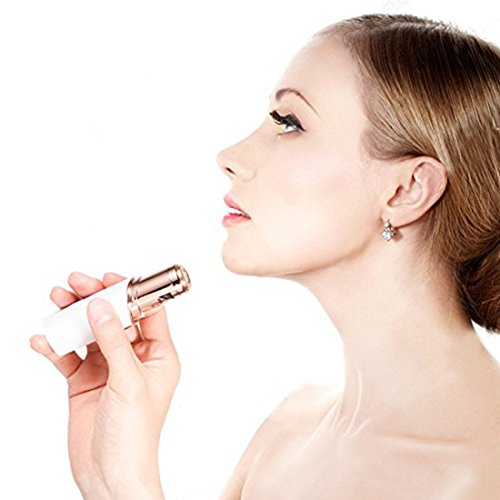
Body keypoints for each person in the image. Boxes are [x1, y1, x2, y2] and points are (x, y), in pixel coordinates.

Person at [29, 12, 500, 499]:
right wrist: (112, 479)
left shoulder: (479, 475)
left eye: (290, 123)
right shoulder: (289, 430)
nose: (229, 157)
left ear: (407, 189)